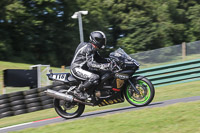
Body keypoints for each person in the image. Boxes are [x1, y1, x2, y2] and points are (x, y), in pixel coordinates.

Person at [70, 31, 111, 100]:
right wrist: (103, 66)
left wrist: (112, 60)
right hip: (77, 68)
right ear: (96, 40)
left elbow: (100, 59)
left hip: (83, 69)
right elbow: (90, 64)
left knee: (100, 73)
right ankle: (78, 91)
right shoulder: (88, 48)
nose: (103, 42)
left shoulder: (93, 48)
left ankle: (92, 93)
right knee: (94, 77)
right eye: (101, 41)